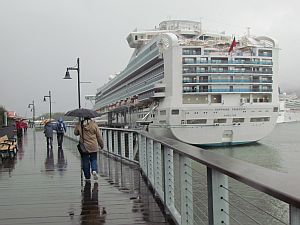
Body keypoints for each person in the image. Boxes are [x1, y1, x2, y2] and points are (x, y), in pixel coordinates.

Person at [74, 117, 103, 181]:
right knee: (94, 159)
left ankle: (87, 177)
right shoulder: (94, 124)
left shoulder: (80, 124)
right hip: (93, 146)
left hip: (84, 147)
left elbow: (75, 133)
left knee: (85, 161)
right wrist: (101, 145)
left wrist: (77, 126)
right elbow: (99, 137)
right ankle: (94, 170)